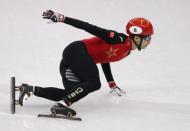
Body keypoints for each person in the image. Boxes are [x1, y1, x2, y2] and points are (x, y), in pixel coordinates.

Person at [19, 10, 154, 116]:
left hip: (71, 61)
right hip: (76, 52)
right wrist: (62, 18)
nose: (149, 41)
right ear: (137, 37)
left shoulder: (127, 51)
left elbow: (104, 58)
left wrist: (112, 83)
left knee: (72, 93)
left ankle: (30, 89)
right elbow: (89, 27)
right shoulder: (118, 39)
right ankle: (62, 104)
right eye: (147, 38)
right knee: (94, 83)